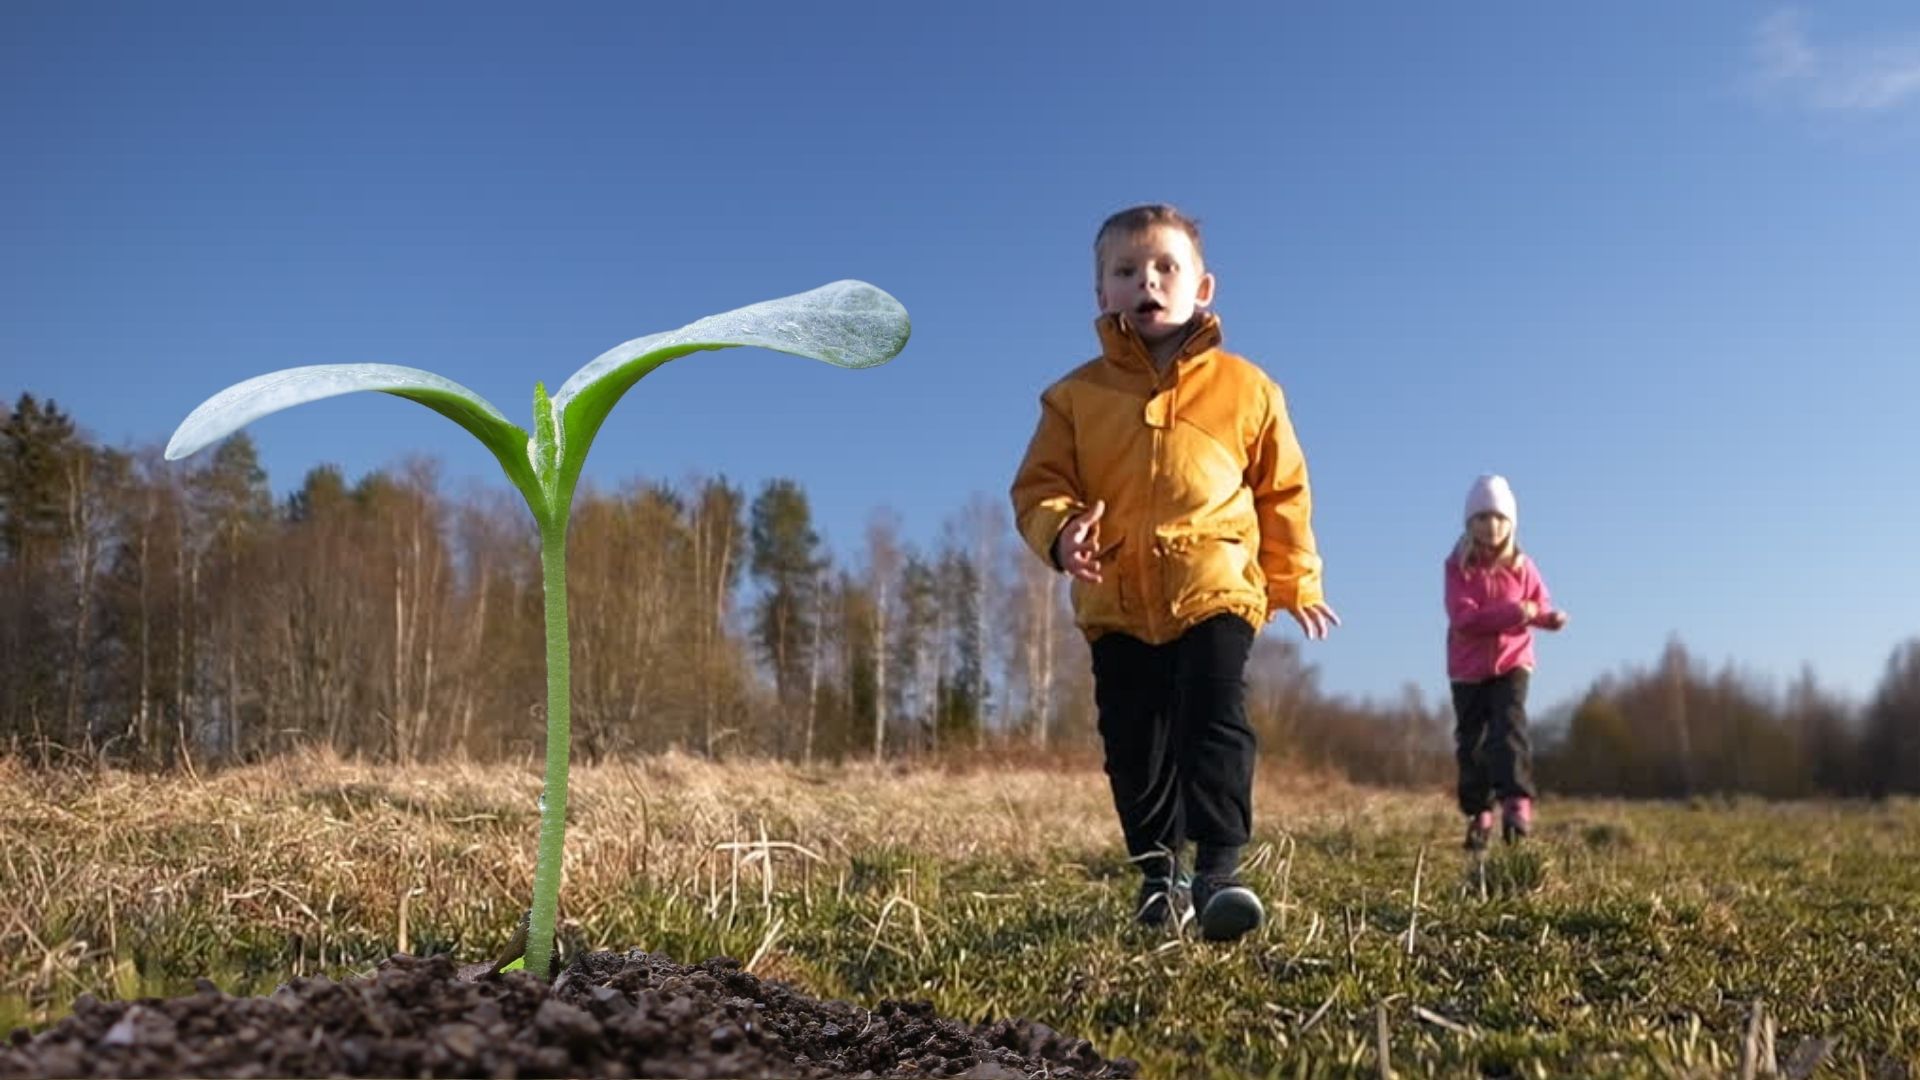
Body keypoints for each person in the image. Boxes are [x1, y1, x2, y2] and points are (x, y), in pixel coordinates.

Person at [1010, 204, 1338, 941]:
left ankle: (1220, 873)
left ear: (1204, 286)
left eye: (1165, 268)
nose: (1146, 282)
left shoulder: (1249, 391)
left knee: (1214, 718)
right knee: (1135, 742)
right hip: (1115, 598)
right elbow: (1037, 487)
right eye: (1125, 271)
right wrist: (1062, 535)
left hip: (1215, 585)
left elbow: (1281, 492)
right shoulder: (1073, 398)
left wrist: (1296, 579)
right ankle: (1161, 877)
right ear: (1101, 294)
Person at [1445, 473, 1569, 850]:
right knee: (1473, 742)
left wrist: (1549, 618)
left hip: (1513, 662)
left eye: (1498, 518)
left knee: (1509, 730)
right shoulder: (1458, 567)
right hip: (1468, 670)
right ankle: (1479, 812)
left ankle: (1517, 804)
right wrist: (1517, 611)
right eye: (1482, 518)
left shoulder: (1523, 566)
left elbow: (1538, 605)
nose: (1491, 526)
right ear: (1470, 524)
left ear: (1510, 524)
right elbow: (1464, 619)